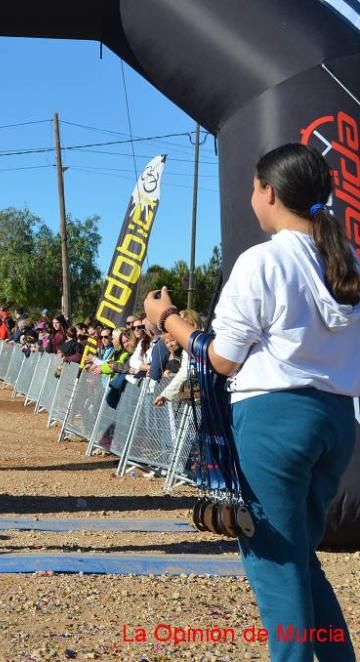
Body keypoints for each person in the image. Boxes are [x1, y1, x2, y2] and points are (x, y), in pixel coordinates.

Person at [144, 143, 360, 662]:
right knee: (296, 559)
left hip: (274, 421)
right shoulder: (346, 259)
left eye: (253, 187)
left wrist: (169, 319)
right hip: (335, 420)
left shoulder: (262, 260)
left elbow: (223, 359)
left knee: (274, 563)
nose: (251, 197)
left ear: (269, 192)